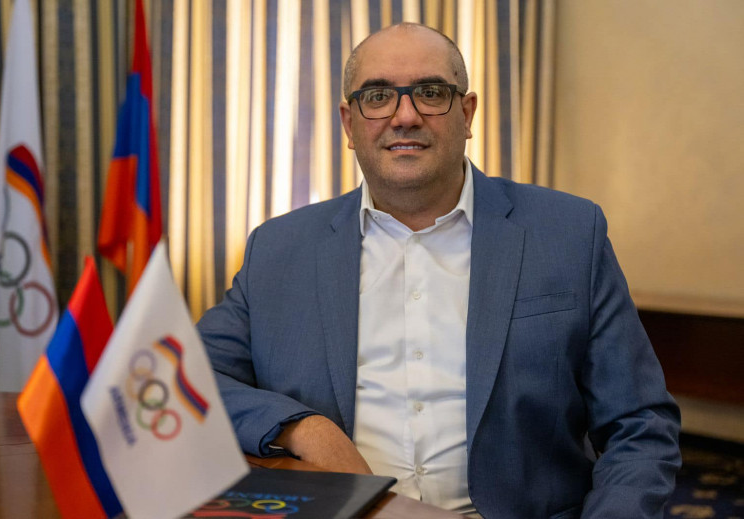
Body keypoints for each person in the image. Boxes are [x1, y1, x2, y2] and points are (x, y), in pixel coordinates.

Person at [198, 22, 681, 519]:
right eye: (378, 96)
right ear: (349, 123)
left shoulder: (568, 234)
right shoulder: (278, 249)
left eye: (430, 93)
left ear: (466, 114)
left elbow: (640, 424)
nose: (405, 117)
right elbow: (190, 377)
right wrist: (302, 428)